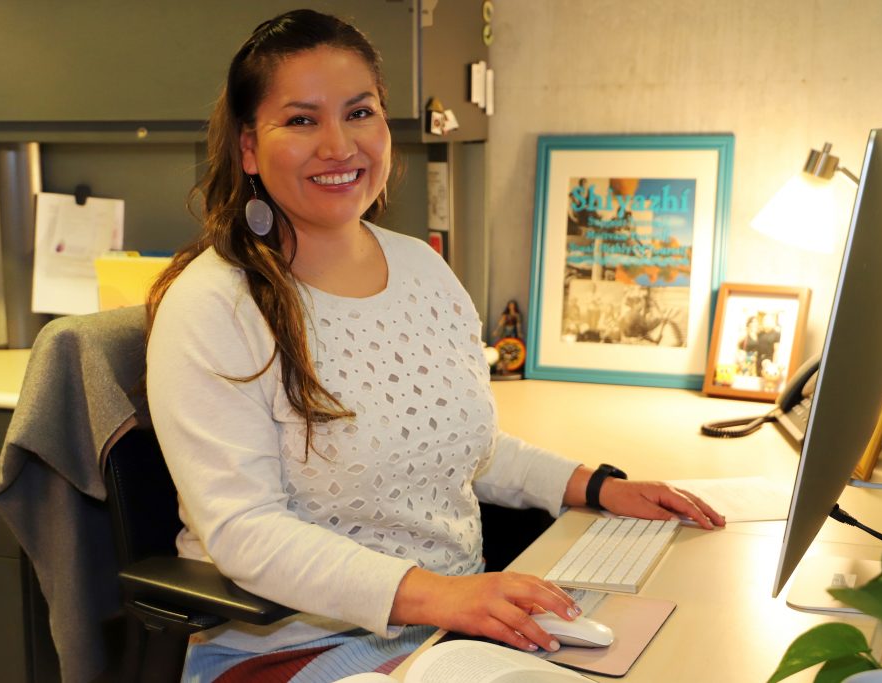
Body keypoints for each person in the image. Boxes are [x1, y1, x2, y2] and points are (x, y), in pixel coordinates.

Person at [145, 10, 725, 681]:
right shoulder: (215, 304)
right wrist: (444, 594)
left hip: (449, 630)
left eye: (358, 112)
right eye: (301, 120)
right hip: (294, 648)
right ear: (248, 147)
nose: (338, 144)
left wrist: (595, 486)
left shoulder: (423, 269)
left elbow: (460, 443)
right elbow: (246, 532)